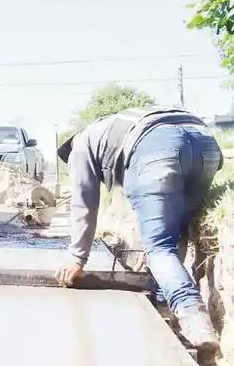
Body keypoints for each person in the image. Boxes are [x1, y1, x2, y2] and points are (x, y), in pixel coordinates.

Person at [55, 106, 223, 353]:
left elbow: (85, 204)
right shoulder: (113, 129)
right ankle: (166, 304)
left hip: (156, 146)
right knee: (174, 232)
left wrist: (77, 257)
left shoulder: (80, 147)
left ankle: (193, 317)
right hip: (204, 143)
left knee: (159, 249)